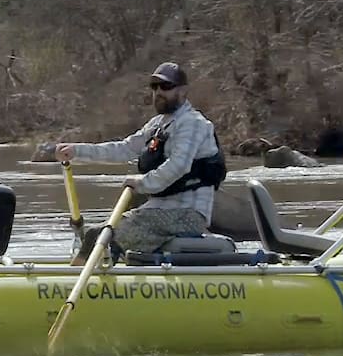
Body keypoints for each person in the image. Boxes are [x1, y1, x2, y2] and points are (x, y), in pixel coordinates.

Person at [56, 62, 227, 257]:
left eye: (166, 87)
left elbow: (179, 166)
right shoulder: (158, 124)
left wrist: (142, 183)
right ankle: (88, 269)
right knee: (95, 234)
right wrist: (77, 151)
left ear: (183, 91)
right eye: (154, 87)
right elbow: (125, 148)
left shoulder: (193, 123)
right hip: (158, 209)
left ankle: (87, 272)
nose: (158, 92)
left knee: (104, 235)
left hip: (187, 214)